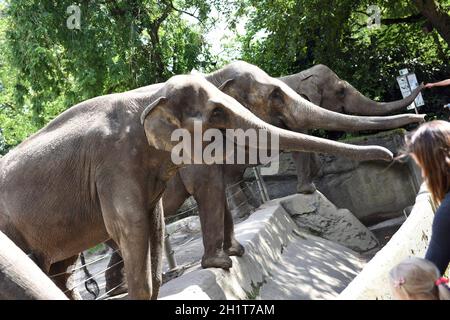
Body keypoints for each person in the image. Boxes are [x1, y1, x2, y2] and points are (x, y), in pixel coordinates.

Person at [404, 120, 450, 275]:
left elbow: (428, 277)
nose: (423, 175)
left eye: (423, 166)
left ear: (435, 165)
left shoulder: (447, 213)